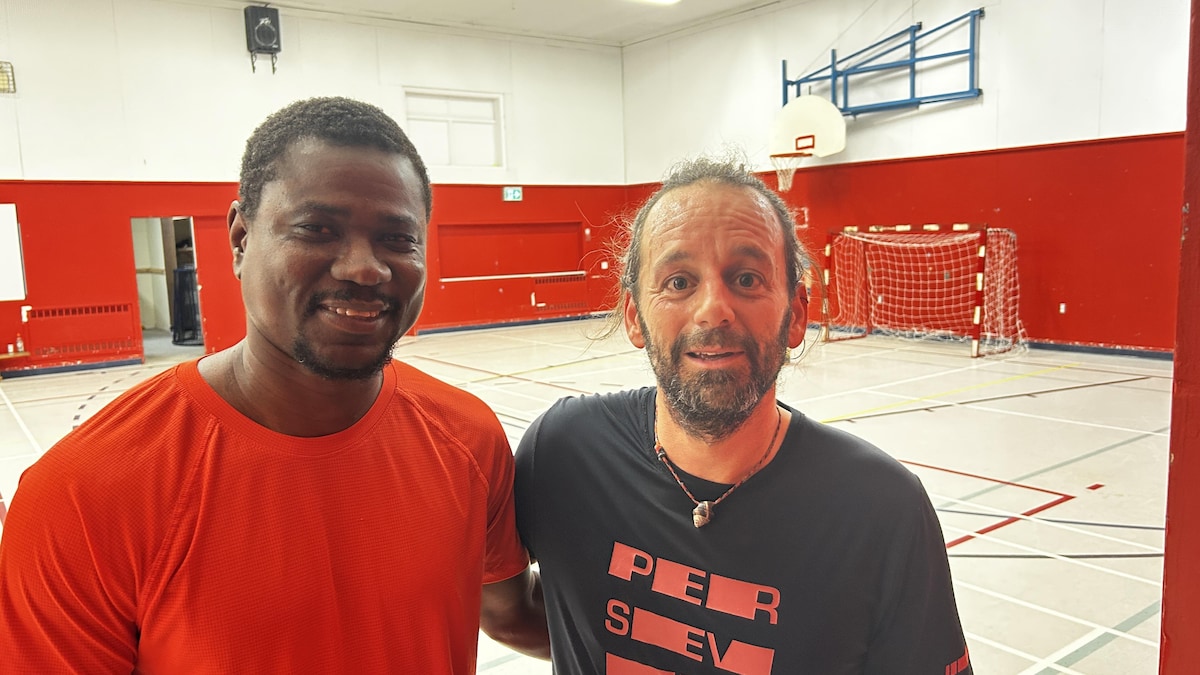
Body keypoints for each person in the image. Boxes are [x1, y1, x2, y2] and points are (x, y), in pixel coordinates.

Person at [0, 97, 548, 673]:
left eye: (397, 238)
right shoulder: (83, 493)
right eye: (317, 228)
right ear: (240, 238)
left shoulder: (469, 436)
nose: (364, 267)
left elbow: (510, 612)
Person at [513, 155, 973, 674]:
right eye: (679, 282)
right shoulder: (564, 452)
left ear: (796, 314)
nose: (714, 309)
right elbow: (507, 606)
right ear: (634, 317)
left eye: (748, 278)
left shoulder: (883, 510)